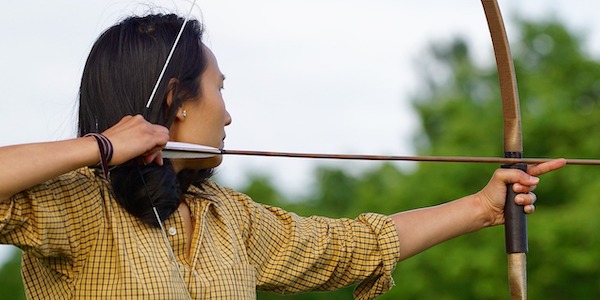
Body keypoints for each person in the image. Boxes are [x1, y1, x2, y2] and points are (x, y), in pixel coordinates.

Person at [0, 13, 565, 300]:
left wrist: (483, 208)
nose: (228, 116)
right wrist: (101, 147)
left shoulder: (228, 219)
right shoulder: (75, 204)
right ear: (174, 101)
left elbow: (351, 246)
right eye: (220, 89)